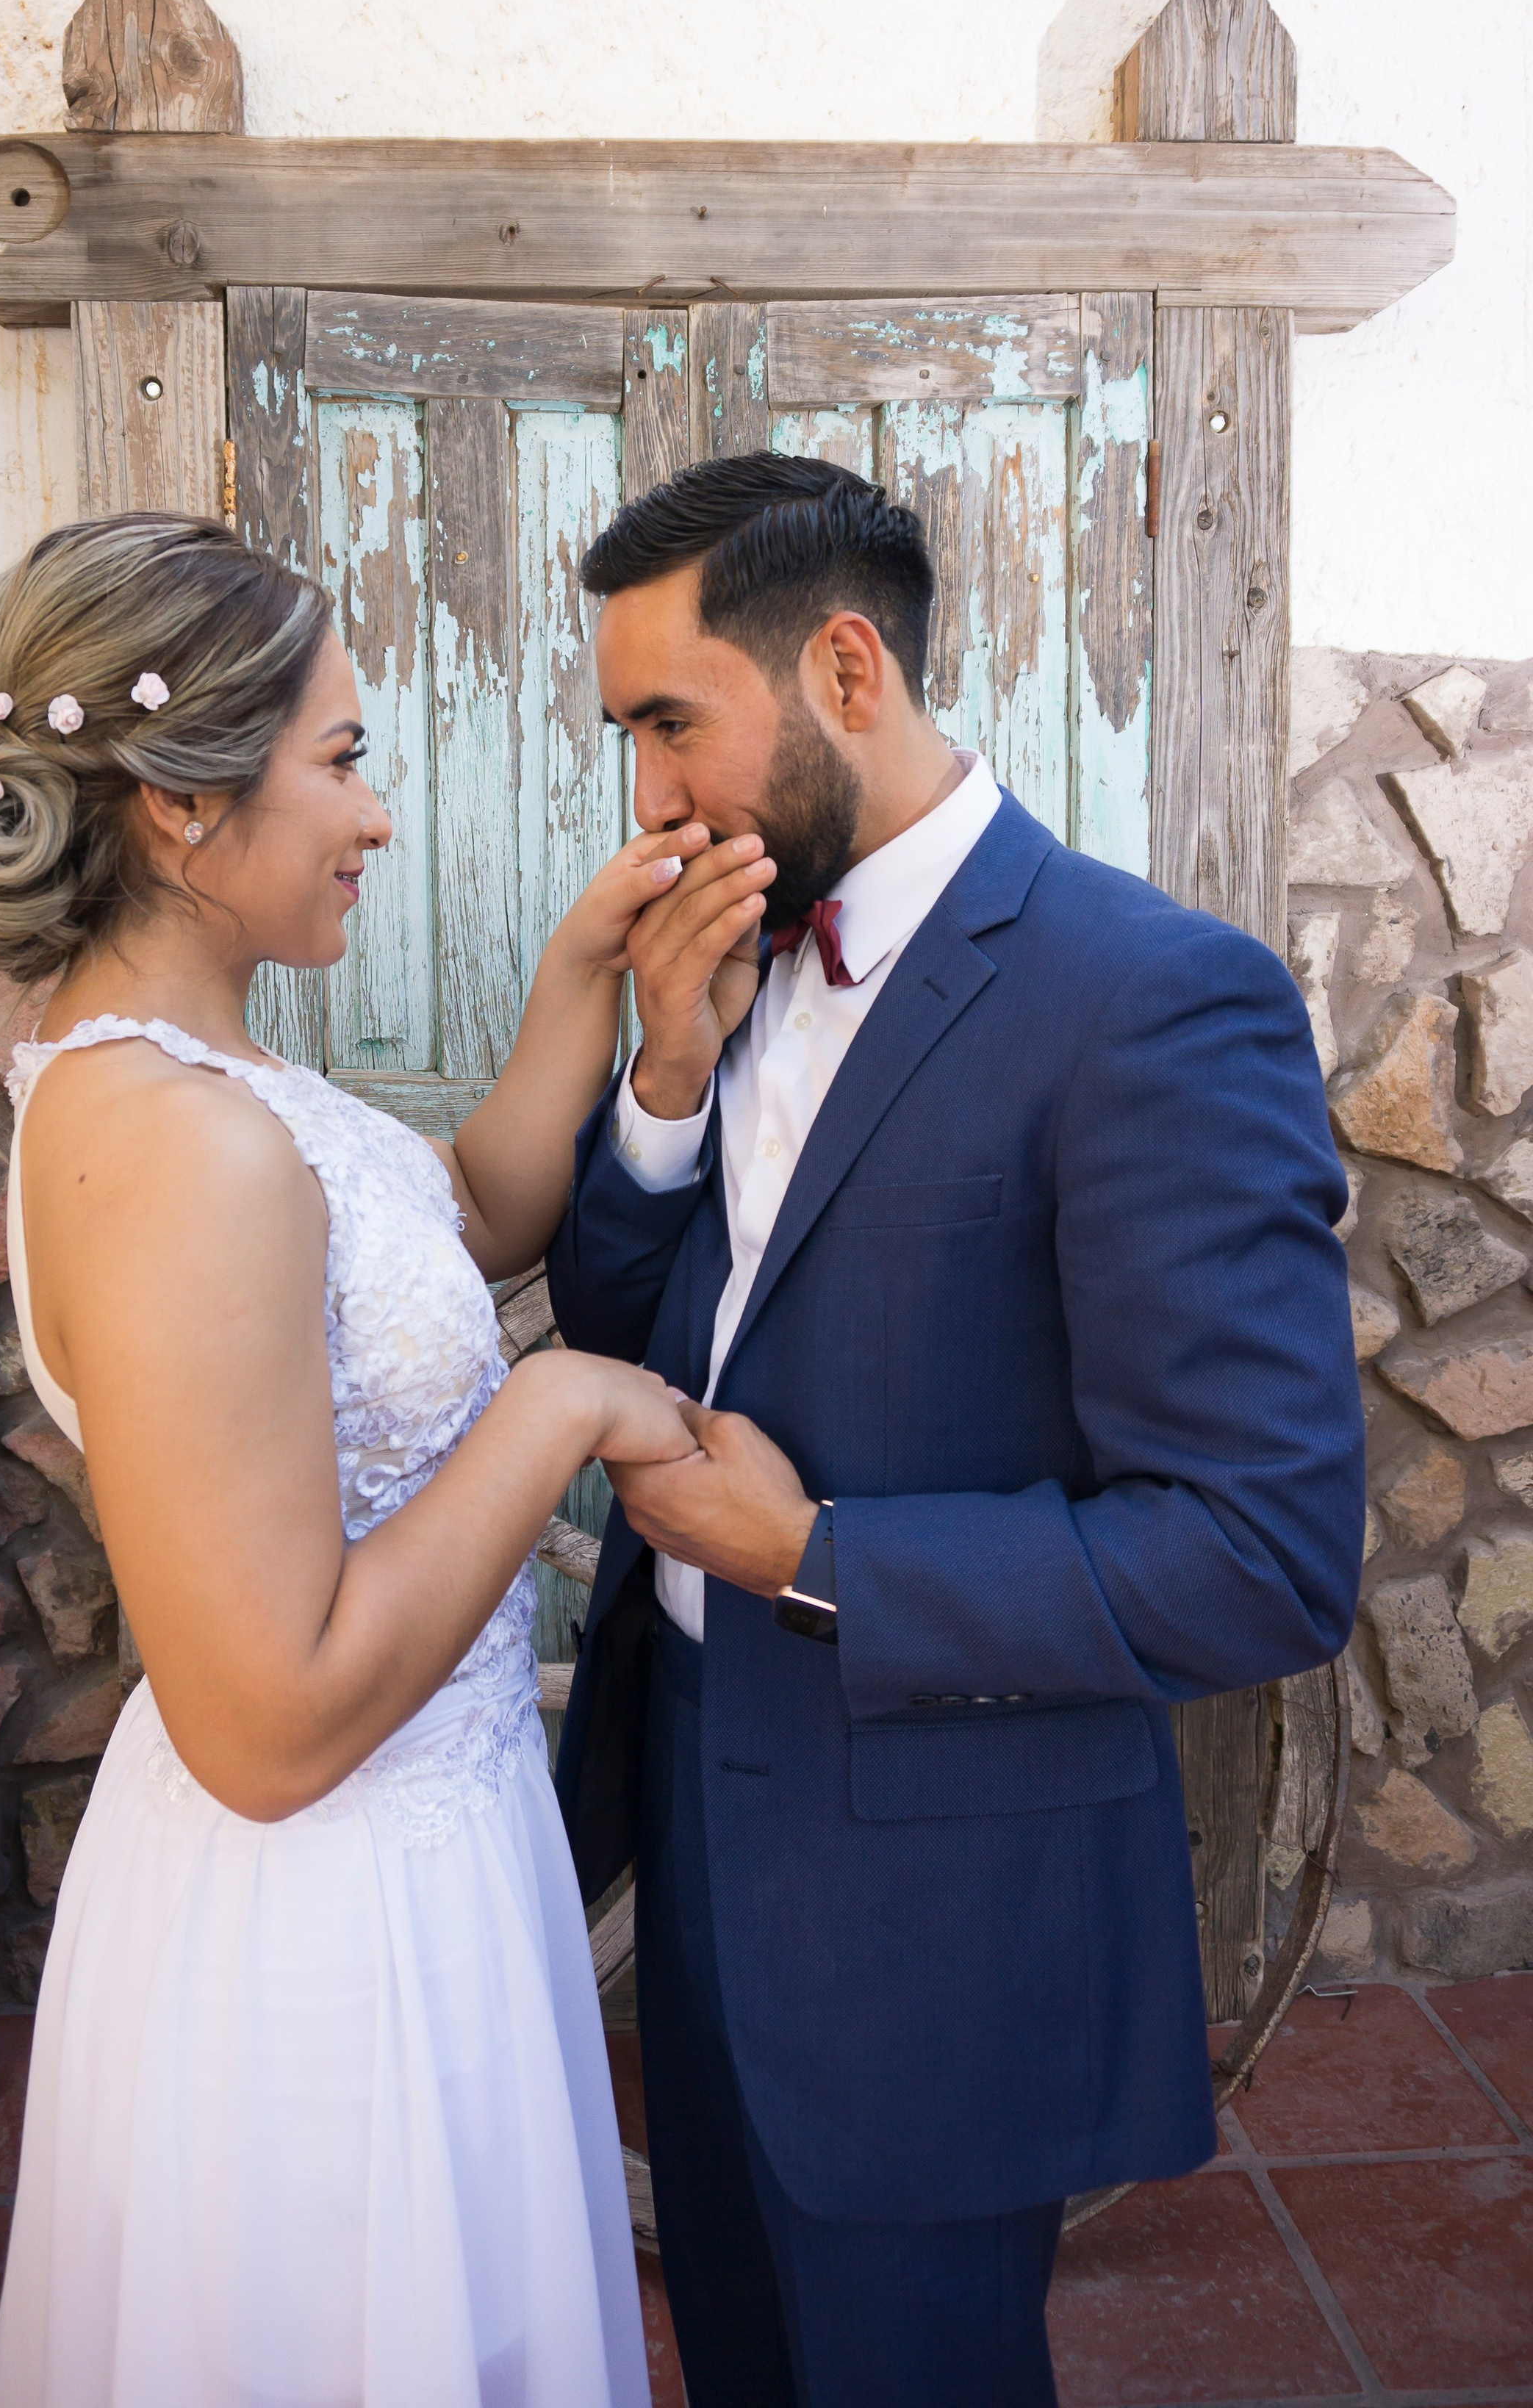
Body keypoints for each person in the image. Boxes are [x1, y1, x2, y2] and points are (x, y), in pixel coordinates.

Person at [0, 510, 723, 2408]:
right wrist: (565, 1409)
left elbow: (460, 1228)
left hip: (431, 1845)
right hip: (327, 1923)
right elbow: (267, 1724)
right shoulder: (176, 1147)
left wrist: (592, 969)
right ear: (182, 810)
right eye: (341, 760)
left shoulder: (211, 1079)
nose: (376, 816)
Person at [545, 454, 1365, 2408]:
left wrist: (815, 1560)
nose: (649, 795)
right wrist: (659, 1079)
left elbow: (1264, 1553)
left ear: (843, 669)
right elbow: (623, 1315)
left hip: (925, 1904)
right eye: (629, 734)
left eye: (672, 722)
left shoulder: (1153, 1001)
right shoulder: (733, 948)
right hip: (694, 1821)